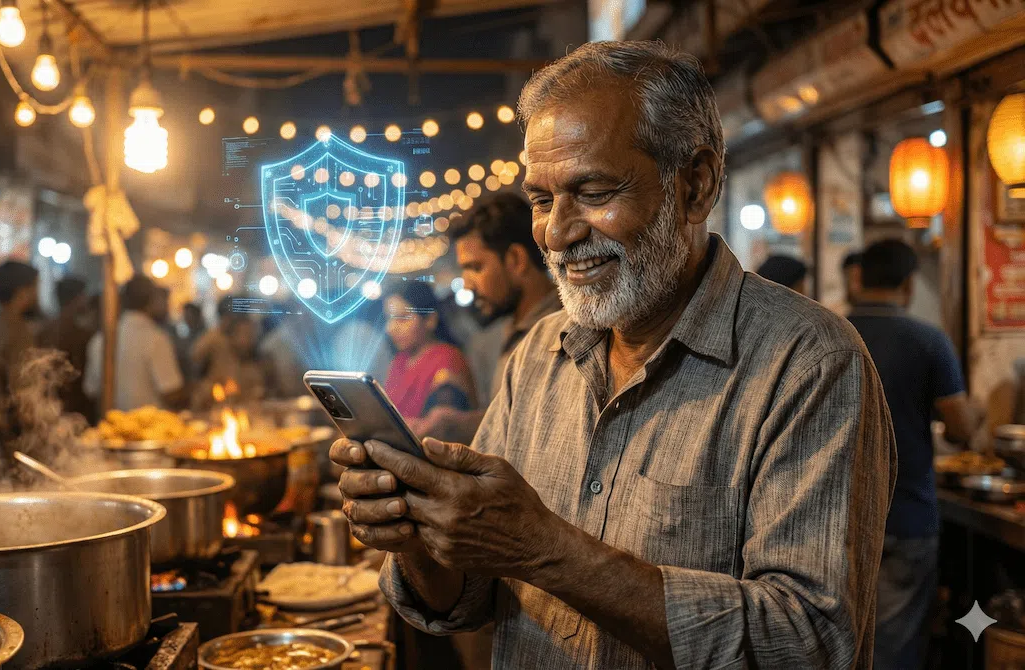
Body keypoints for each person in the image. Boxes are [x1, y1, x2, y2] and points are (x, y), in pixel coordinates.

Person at [331, 41, 895, 669]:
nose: (558, 232)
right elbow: (468, 597)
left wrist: (546, 549)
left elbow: (810, 646)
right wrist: (416, 535)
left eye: (594, 191)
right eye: (542, 201)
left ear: (695, 185)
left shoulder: (808, 365)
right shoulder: (538, 357)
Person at [848, 239, 983, 669]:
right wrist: (978, 411)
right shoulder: (929, 341)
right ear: (908, 284)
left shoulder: (828, 331)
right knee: (894, 647)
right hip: (907, 515)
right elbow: (961, 430)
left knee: (837, 642)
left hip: (837, 519)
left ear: (859, 279)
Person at [418, 194, 561, 443]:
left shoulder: (564, 330)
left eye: (475, 267)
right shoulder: (509, 328)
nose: (467, 284)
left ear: (516, 260)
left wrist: (457, 425)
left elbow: (544, 434)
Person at [84, 275, 186, 412]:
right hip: (151, 429)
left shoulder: (100, 339)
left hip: (112, 427)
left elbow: (91, 391)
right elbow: (170, 393)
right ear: (151, 301)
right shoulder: (155, 339)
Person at [383, 281, 476, 422]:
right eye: (388, 318)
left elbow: (443, 428)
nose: (390, 328)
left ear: (430, 320)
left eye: (402, 318)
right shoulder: (400, 360)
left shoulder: (447, 360)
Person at [0, 261, 40, 405]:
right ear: (23, 291)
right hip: (4, 416)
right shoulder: (16, 328)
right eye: (36, 287)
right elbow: (22, 386)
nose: (37, 293)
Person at [189, 297, 271, 408]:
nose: (249, 339)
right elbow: (195, 357)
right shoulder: (216, 340)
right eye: (245, 334)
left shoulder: (258, 360)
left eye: (251, 334)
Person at [36, 276, 95, 421]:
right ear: (77, 298)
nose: (86, 300)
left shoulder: (45, 330)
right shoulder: (79, 334)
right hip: (73, 407)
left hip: (51, 404)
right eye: (84, 295)